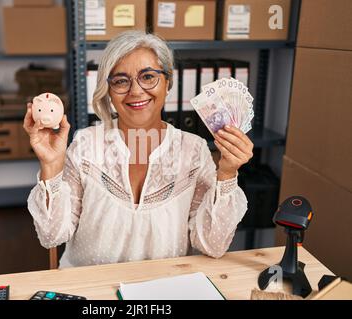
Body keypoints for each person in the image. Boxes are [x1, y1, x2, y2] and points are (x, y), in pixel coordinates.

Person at [23, 31, 253, 268]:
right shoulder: (85, 145)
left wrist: (227, 173)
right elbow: (51, 236)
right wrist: (51, 165)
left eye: (148, 76)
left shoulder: (194, 151)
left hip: (161, 290)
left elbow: (211, 246)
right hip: (90, 289)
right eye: (121, 81)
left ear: (168, 82)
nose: (135, 91)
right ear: (109, 91)